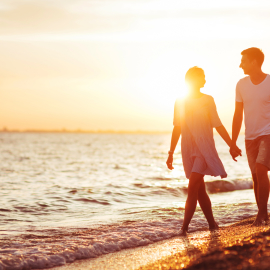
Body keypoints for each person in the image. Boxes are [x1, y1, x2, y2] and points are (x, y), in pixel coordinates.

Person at [166, 66, 241, 235]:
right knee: (200, 190)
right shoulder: (180, 101)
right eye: (202, 77)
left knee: (192, 186)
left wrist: (231, 144)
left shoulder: (208, 100)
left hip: (203, 148)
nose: (205, 80)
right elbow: (177, 128)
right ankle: (212, 224)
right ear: (193, 80)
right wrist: (171, 153)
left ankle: (184, 228)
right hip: (187, 148)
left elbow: (218, 124)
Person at [230, 47, 270, 226]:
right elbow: (238, 114)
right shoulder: (241, 84)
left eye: (243, 61)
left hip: (268, 134)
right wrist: (232, 142)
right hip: (250, 136)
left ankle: (261, 214)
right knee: (255, 175)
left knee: (261, 169)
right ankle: (264, 214)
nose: (240, 65)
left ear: (254, 62)